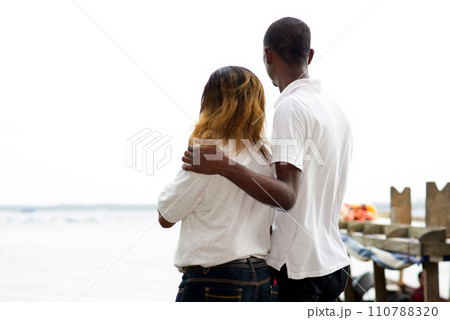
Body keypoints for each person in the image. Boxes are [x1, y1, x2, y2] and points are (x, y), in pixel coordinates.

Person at [182, 17, 352, 302]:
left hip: (298, 268)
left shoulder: (290, 106)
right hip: (333, 262)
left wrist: (223, 164)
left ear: (267, 55)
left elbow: (286, 196)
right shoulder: (334, 109)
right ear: (309, 56)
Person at [157, 66, 276, 302]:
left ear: (210, 103)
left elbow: (166, 216)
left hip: (215, 280)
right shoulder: (267, 157)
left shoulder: (208, 157)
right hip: (261, 279)